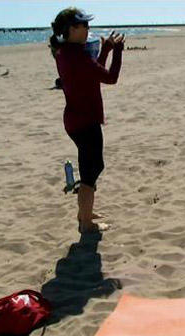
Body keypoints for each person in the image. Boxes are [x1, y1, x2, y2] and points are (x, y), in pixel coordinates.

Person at [50, 8, 125, 233]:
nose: (88, 29)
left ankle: (85, 212)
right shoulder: (76, 55)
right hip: (84, 121)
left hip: (78, 119)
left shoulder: (67, 52)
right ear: (72, 29)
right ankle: (85, 223)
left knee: (93, 167)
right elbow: (110, 77)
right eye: (84, 25)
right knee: (90, 172)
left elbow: (95, 73)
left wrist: (106, 49)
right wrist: (118, 51)